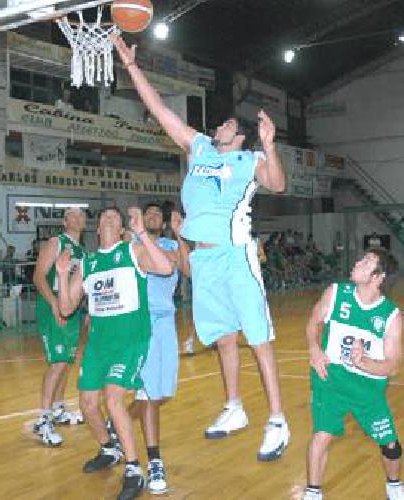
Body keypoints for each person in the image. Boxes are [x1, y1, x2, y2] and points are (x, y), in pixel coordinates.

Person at [114, 33, 291, 462]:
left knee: (257, 339)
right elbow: (159, 111)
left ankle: (277, 421)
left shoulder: (250, 161)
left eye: (227, 125)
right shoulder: (199, 149)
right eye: (220, 125)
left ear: (241, 137)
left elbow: (279, 185)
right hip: (204, 257)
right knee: (223, 339)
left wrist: (269, 145)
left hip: (235, 255)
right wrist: (132, 67)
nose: (219, 126)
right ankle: (234, 408)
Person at [56, 206, 174, 500]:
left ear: (122, 229)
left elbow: (166, 268)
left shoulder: (133, 251)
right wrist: (60, 274)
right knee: (87, 404)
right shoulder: (88, 263)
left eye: (115, 217)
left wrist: (142, 234)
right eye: (104, 216)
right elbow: (66, 307)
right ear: (96, 230)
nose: (108, 217)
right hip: (98, 344)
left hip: (129, 341)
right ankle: (109, 448)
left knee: (113, 399)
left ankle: (135, 469)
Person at [303, 250, 404, 500]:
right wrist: (314, 348)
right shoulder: (335, 293)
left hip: (368, 388)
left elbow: (393, 365)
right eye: (361, 259)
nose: (357, 263)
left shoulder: (390, 316)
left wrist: (364, 362)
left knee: (391, 446)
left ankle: (393, 486)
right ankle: (313, 492)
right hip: (331, 378)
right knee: (322, 435)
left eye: (366, 262)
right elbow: (314, 321)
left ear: (378, 277)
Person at [118, 203, 190, 494]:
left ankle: (119, 419)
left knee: (160, 394)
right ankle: (155, 461)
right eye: (147, 214)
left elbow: (184, 268)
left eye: (157, 215)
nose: (152, 217)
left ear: (164, 222)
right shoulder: (132, 242)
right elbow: (159, 261)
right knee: (148, 392)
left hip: (165, 323)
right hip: (139, 321)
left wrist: (180, 238)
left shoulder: (174, 242)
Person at [31, 208, 88, 447]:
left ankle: (58, 408)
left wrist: (86, 310)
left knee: (66, 360)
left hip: (71, 308)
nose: (76, 218)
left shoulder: (83, 252)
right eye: (71, 215)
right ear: (65, 222)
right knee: (58, 362)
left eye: (80, 215)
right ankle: (43, 419)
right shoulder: (56, 242)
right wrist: (54, 303)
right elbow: (38, 276)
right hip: (52, 305)